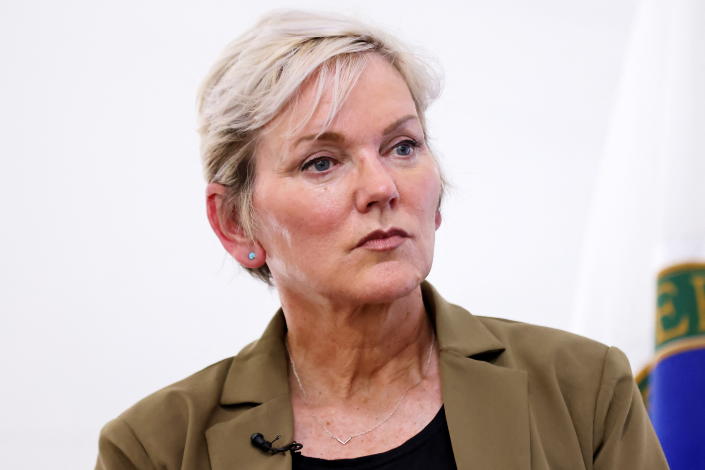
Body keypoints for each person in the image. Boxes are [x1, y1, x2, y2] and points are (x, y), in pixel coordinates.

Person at [95, 10, 670, 470]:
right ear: (235, 224)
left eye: (402, 147)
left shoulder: (585, 392)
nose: (381, 186)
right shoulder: (155, 450)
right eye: (322, 162)